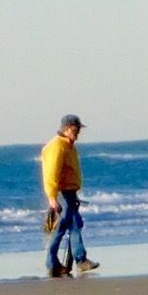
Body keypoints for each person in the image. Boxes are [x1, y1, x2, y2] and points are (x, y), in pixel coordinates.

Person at [41, 113, 96, 277]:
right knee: (71, 226)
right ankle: (79, 261)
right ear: (66, 129)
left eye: (79, 128)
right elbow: (51, 173)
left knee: (66, 228)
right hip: (62, 194)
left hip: (70, 194)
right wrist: (51, 197)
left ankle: (56, 264)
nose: (78, 131)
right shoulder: (57, 146)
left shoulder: (69, 145)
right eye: (75, 128)